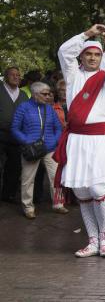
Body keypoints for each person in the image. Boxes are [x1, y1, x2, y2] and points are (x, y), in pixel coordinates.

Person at [56, 24, 105, 258]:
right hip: (77, 139)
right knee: (82, 192)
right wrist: (87, 34)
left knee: (98, 189)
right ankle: (92, 240)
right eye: (88, 54)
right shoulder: (73, 75)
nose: (93, 58)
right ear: (82, 57)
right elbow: (64, 51)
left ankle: (104, 238)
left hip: (102, 139)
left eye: (97, 54)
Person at [11, 82, 67, 218]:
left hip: (49, 148)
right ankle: (28, 207)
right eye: (45, 94)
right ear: (35, 94)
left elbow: (58, 128)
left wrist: (53, 142)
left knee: (56, 177)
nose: (48, 96)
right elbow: (15, 128)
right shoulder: (23, 108)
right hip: (32, 150)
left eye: (49, 93)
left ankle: (58, 204)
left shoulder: (49, 109)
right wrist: (26, 141)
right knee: (28, 179)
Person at [1, 66, 29, 203]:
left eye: (18, 75)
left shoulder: (23, 95)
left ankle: (8, 194)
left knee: (14, 167)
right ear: (6, 76)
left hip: (17, 138)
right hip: (0, 135)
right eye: (12, 75)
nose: (16, 77)